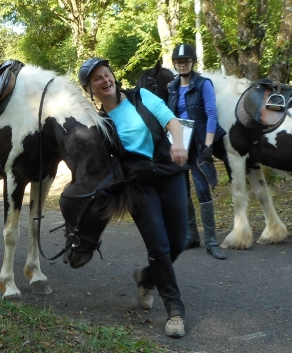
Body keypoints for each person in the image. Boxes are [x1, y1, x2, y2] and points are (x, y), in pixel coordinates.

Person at [78, 57, 189, 338]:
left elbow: (171, 121)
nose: (105, 80)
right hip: (138, 187)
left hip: (169, 173)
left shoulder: (141, 97)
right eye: (97, 79)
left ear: (113, 76)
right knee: (159, 247)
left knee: (178, 242)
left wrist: (177, 145)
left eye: (107, 74)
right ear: (91, 89)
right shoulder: (101, 123)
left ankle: (146, 278)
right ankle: (175, 311)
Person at [167, 43, 227, 260]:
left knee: (203, 191)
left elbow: (211, 114)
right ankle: (191, 235)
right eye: (179, 62)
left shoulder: (203, 84)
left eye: (186, 61)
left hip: (199, 143)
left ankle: (211, 241)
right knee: (182, 191)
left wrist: (208, 145)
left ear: (192, 62)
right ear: (175, 64)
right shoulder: (172, 87)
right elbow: (168, 116)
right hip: (179, 144)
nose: (182, 65)